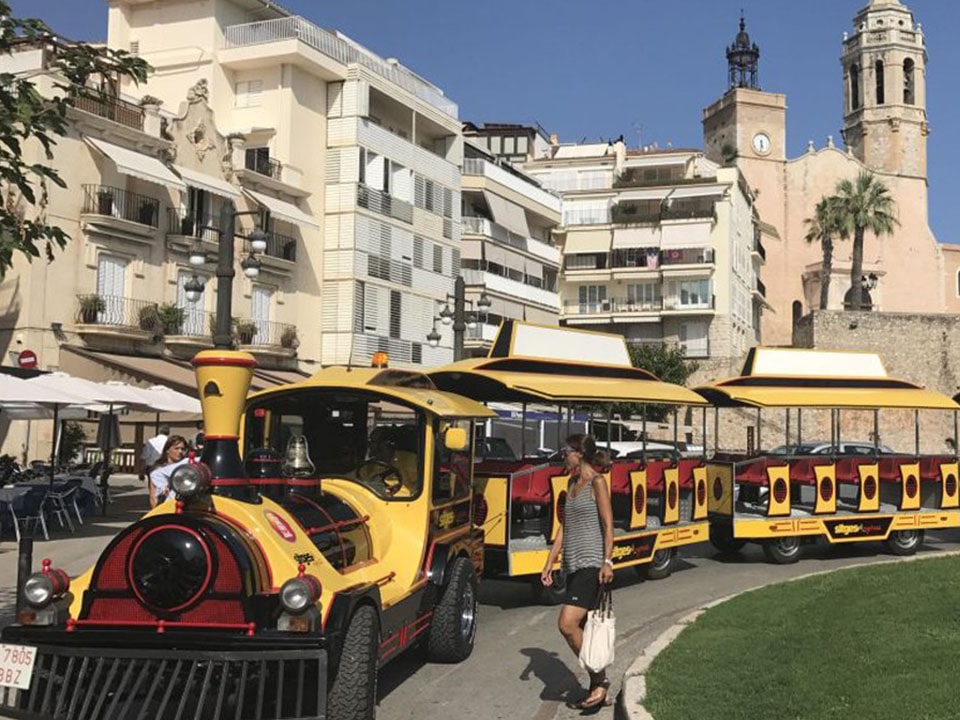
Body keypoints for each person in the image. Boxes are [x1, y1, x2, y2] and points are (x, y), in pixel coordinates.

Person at [540, 433, 614, 710]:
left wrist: (608, 562)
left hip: (591, 564)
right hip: (571, 564)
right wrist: (550, 562)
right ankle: (600, 690)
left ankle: (601, 681)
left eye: (565, 451)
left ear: (579, 454)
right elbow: (564, 527)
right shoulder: (572, 483)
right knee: (580, 629)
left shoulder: (597, 482)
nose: (563, 456)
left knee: (567, 624)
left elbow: (608, 525)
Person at [149, 435, 189, 508]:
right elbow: (153, 496)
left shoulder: (186, 467)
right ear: (167, 450)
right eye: (176, 448)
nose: (180, 451)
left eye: (182, 449)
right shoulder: (158, 470)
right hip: (165, 507)